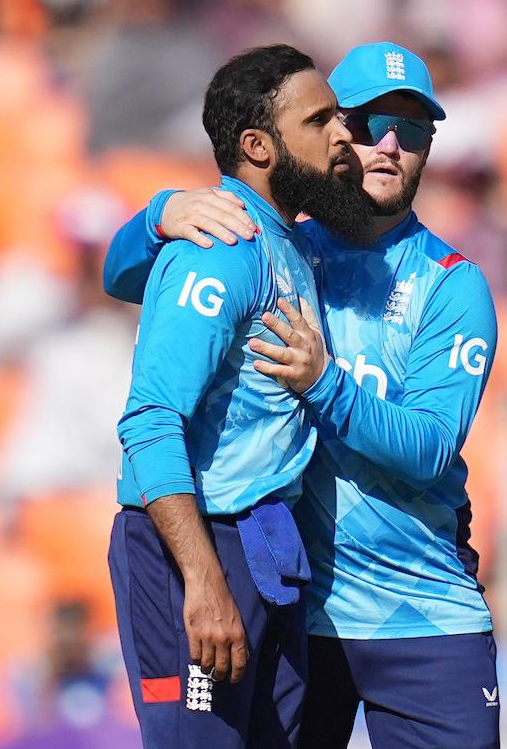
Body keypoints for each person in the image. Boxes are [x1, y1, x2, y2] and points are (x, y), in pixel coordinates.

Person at [103, 42, 501, 748]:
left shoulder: (450, 283)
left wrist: (325, 384)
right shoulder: (267, 235)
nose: (382, 146)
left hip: (416, 611)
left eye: (412, 132)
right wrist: (159, 213)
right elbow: (129, 281)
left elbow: (432, 445)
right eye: (358, 121)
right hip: (299, 604)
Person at [106, 44, 371, 748]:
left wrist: (156, 213)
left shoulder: (288, 242)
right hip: (196, 543)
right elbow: (151, 421)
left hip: (266, 539)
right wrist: (202, 579)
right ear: (257, 145)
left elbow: (123, 274)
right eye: (320, 120)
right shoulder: (220, 245)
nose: (342, 132)